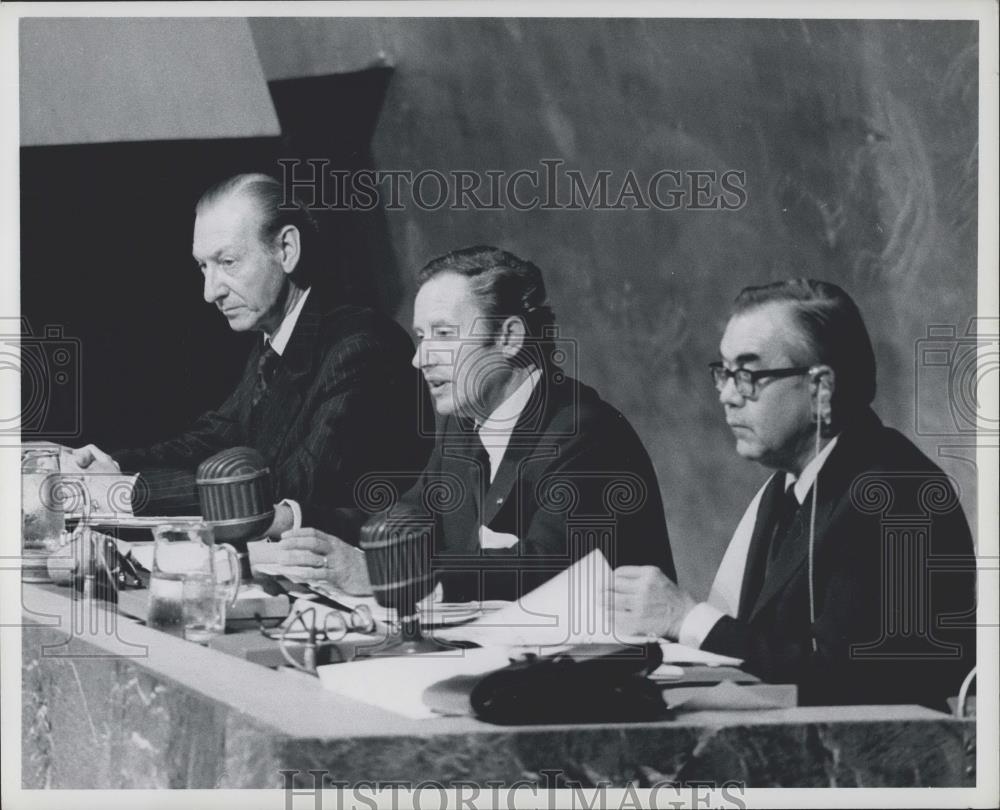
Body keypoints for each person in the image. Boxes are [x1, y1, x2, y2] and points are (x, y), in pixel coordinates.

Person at [611, 279, 976, 709]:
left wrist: (685, 617)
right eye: (724, 373)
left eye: (748, 375)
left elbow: (852, 686)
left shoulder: (896, 494)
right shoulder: (788, 485)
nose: (728, 396)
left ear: (820, 388)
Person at [277, 246, 676, 602]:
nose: (420, 359)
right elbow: (405, 518)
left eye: (444, 335)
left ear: (509, 338)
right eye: (420, 337)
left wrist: (383, 572)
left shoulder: (586, 433)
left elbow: (546, 566)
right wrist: (295, 523)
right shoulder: (463, 426)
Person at [68, 173, 431, 539]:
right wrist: (115, 464)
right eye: (203, 267)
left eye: (227, 262)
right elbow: (217, 436)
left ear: (286, 250)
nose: (211, 292)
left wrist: (130, 492)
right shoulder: (279, 335)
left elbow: (294, 486)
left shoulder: (360, 347)